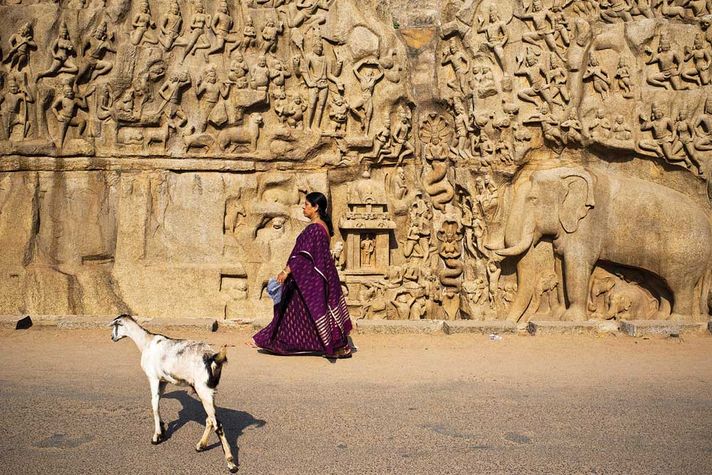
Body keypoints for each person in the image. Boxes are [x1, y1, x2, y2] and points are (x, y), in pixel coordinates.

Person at [252, 192, 353, 358]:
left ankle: (328, 345)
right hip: (318, 276)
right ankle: (325, 344)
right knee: (307, 312)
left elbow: (303, 255)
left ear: (316, 207)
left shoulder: (315, 229)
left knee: (303, 311)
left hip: (311, 279)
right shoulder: (323, 227)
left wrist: (286, 271)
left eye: (306, 205)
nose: (303, 207)